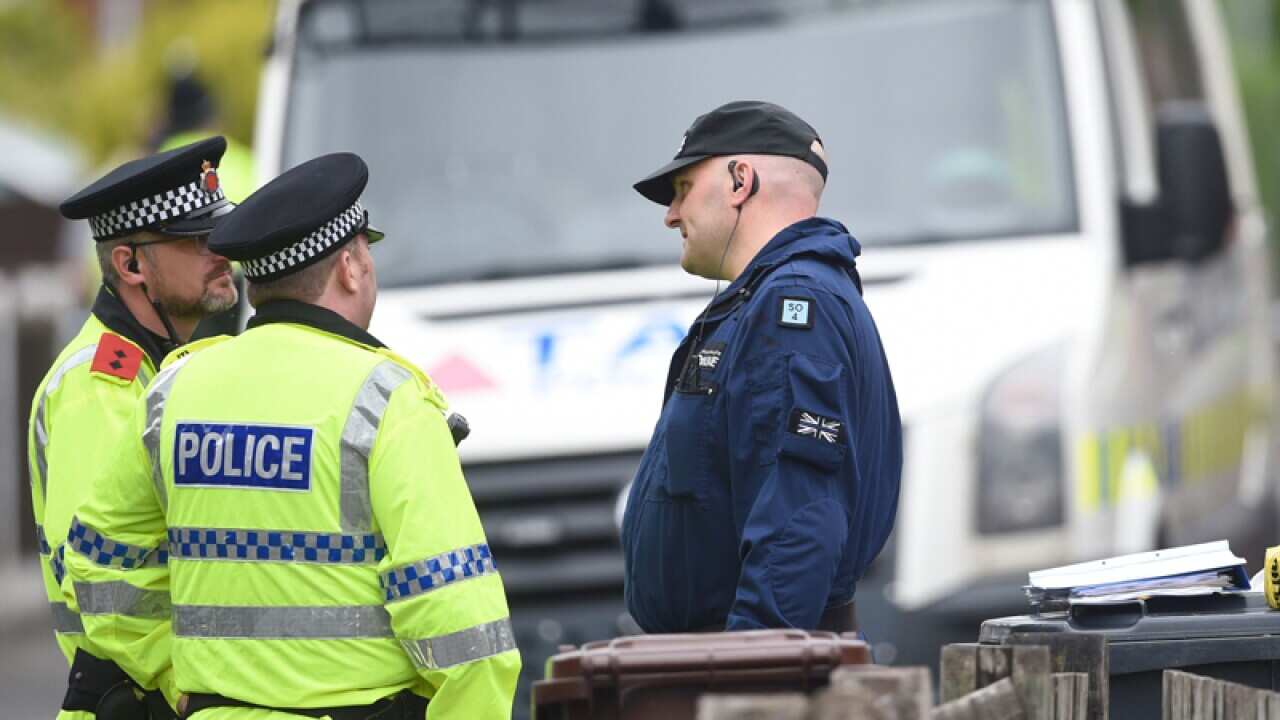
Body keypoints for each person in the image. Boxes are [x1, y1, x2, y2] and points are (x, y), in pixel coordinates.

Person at [64, 152, 520, 719]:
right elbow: (468, 636)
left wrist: (169, 669)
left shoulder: (172, 391)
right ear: (351, 267)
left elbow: (97, 560)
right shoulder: (388, 401)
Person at [621, 101, 902, 634]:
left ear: (740, 181)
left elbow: (798, 522)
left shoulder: (792, 306)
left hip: (757, 664)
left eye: (683, 189)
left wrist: (753, 663)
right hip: (742, 657)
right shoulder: (777, 300)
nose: (671, 215)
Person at [31, 136, 239, 719]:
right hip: (139, 699)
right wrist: (196, 690)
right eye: (195, 239)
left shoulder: (159, 367)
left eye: (220, 232)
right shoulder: (102, 384)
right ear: (130, 265)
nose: (221, 251)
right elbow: (101, 581)